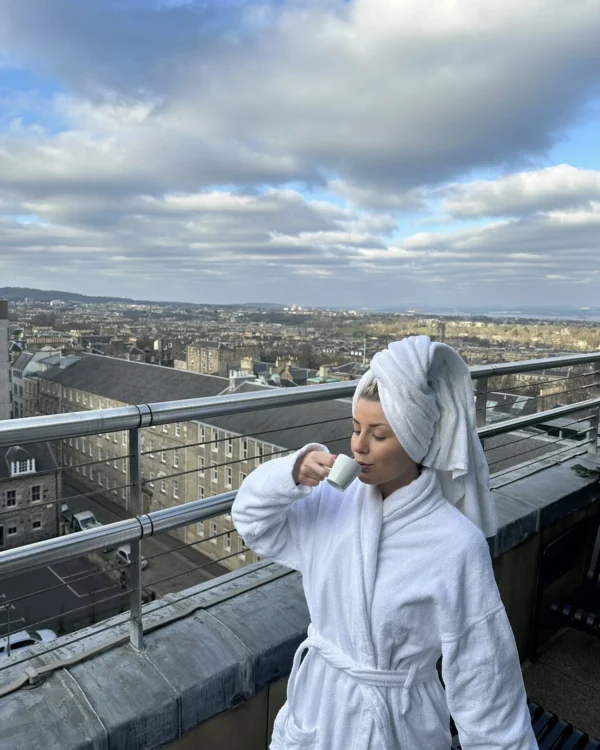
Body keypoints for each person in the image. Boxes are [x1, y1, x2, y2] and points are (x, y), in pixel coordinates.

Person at [232, 336, 538, 750]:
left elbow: (484, 678)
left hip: (398, 723)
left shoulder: (455, 544)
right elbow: (251, 521)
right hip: (320, 710)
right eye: (356, 428)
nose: (358, 445)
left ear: (414, 440)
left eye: (378, 434)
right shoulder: (331, 502)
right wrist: (291, 473)